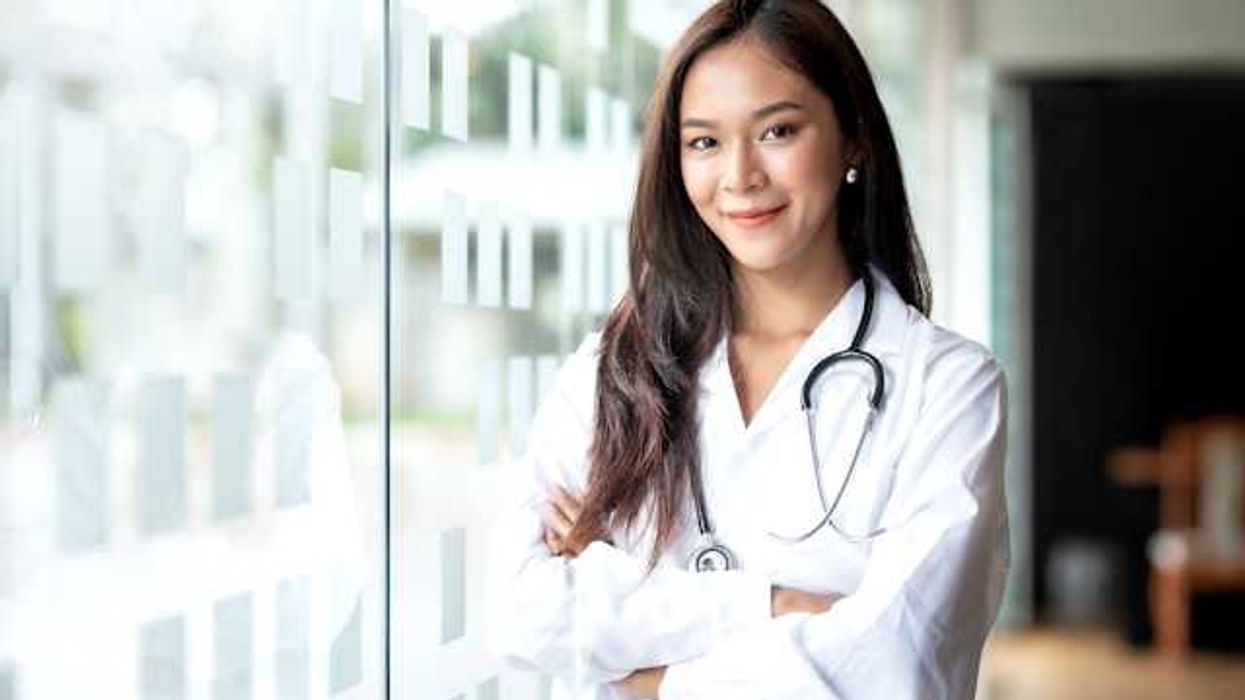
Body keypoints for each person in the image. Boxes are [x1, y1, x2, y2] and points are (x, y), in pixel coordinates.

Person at [485, 1, 1008, 698]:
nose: (738, 176)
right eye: (703, 142)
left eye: (777, 131)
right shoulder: (610, 373)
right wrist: (771, 605)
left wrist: (652, 678)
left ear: (852, 137)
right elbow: (521, 614)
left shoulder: (945, 387)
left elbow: (895, 666)